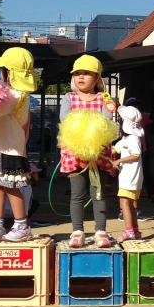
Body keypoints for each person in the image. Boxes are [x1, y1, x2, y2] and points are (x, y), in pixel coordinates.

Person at [59, 54, 113, 248]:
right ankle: (77, 231)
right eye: (77, 74)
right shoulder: (69, 97)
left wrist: (94, 141)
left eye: (87, 73)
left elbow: (108, 121)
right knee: (77, 194)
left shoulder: (104, 98)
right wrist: (83, 138)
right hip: (75, 152)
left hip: (99, 153)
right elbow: (65, 121)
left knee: (98, 193)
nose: (81, 77)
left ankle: (101, 231)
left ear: (98, 77)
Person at [0, 47, 35, 243]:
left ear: (10, 72)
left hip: (11, 149)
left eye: (2, 69)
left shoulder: (16, 95)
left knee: (12, 186)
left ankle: (21, 225)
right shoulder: (11, 93)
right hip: (0, 147)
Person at [113, 105, 145, 242]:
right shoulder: (125, 140)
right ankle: (135, 230)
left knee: (124, 204)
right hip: (130, 177)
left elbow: (136, 155)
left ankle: (129, 232)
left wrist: (119, 161)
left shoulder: (133, 139)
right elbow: (114, 149)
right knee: (131, 204)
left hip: (130, 177)